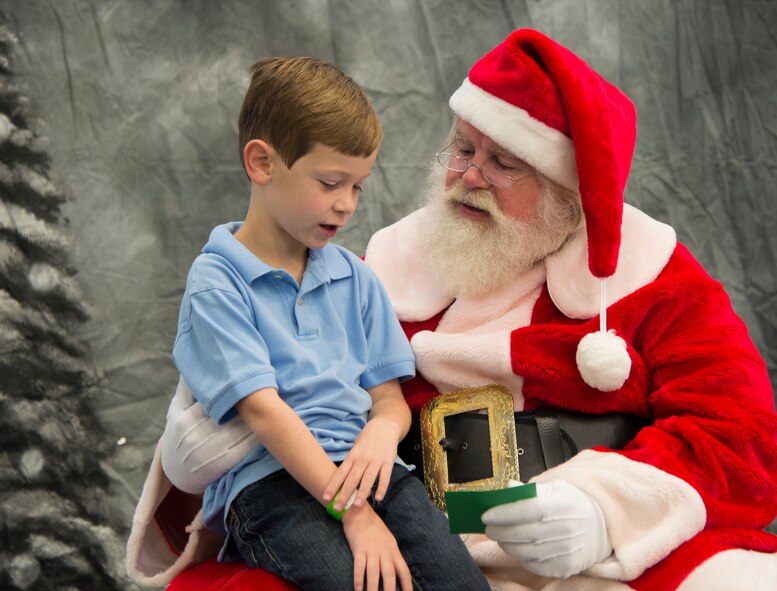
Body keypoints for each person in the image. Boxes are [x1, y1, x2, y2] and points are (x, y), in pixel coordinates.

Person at [128, 30, 777, 591]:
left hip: (608, 553)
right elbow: (296, 401)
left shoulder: (649, 275)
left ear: (567, 191)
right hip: (414, 531)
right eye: (463, 149)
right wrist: (195, 451)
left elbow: (739, 434)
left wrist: (604, 509)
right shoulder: (385, 263)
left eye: (503, 163)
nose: (467, 176)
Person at [126, 55, 490, 591]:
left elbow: (386, 396)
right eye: (330, 182)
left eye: (358, 188)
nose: (346, 205)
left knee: (460, 581)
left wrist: (382, 434)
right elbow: (266, 415)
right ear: (262, 163)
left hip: (374, 474)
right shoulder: (217, 284)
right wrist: (356, 515)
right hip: (271, 485)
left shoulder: (354, 278)